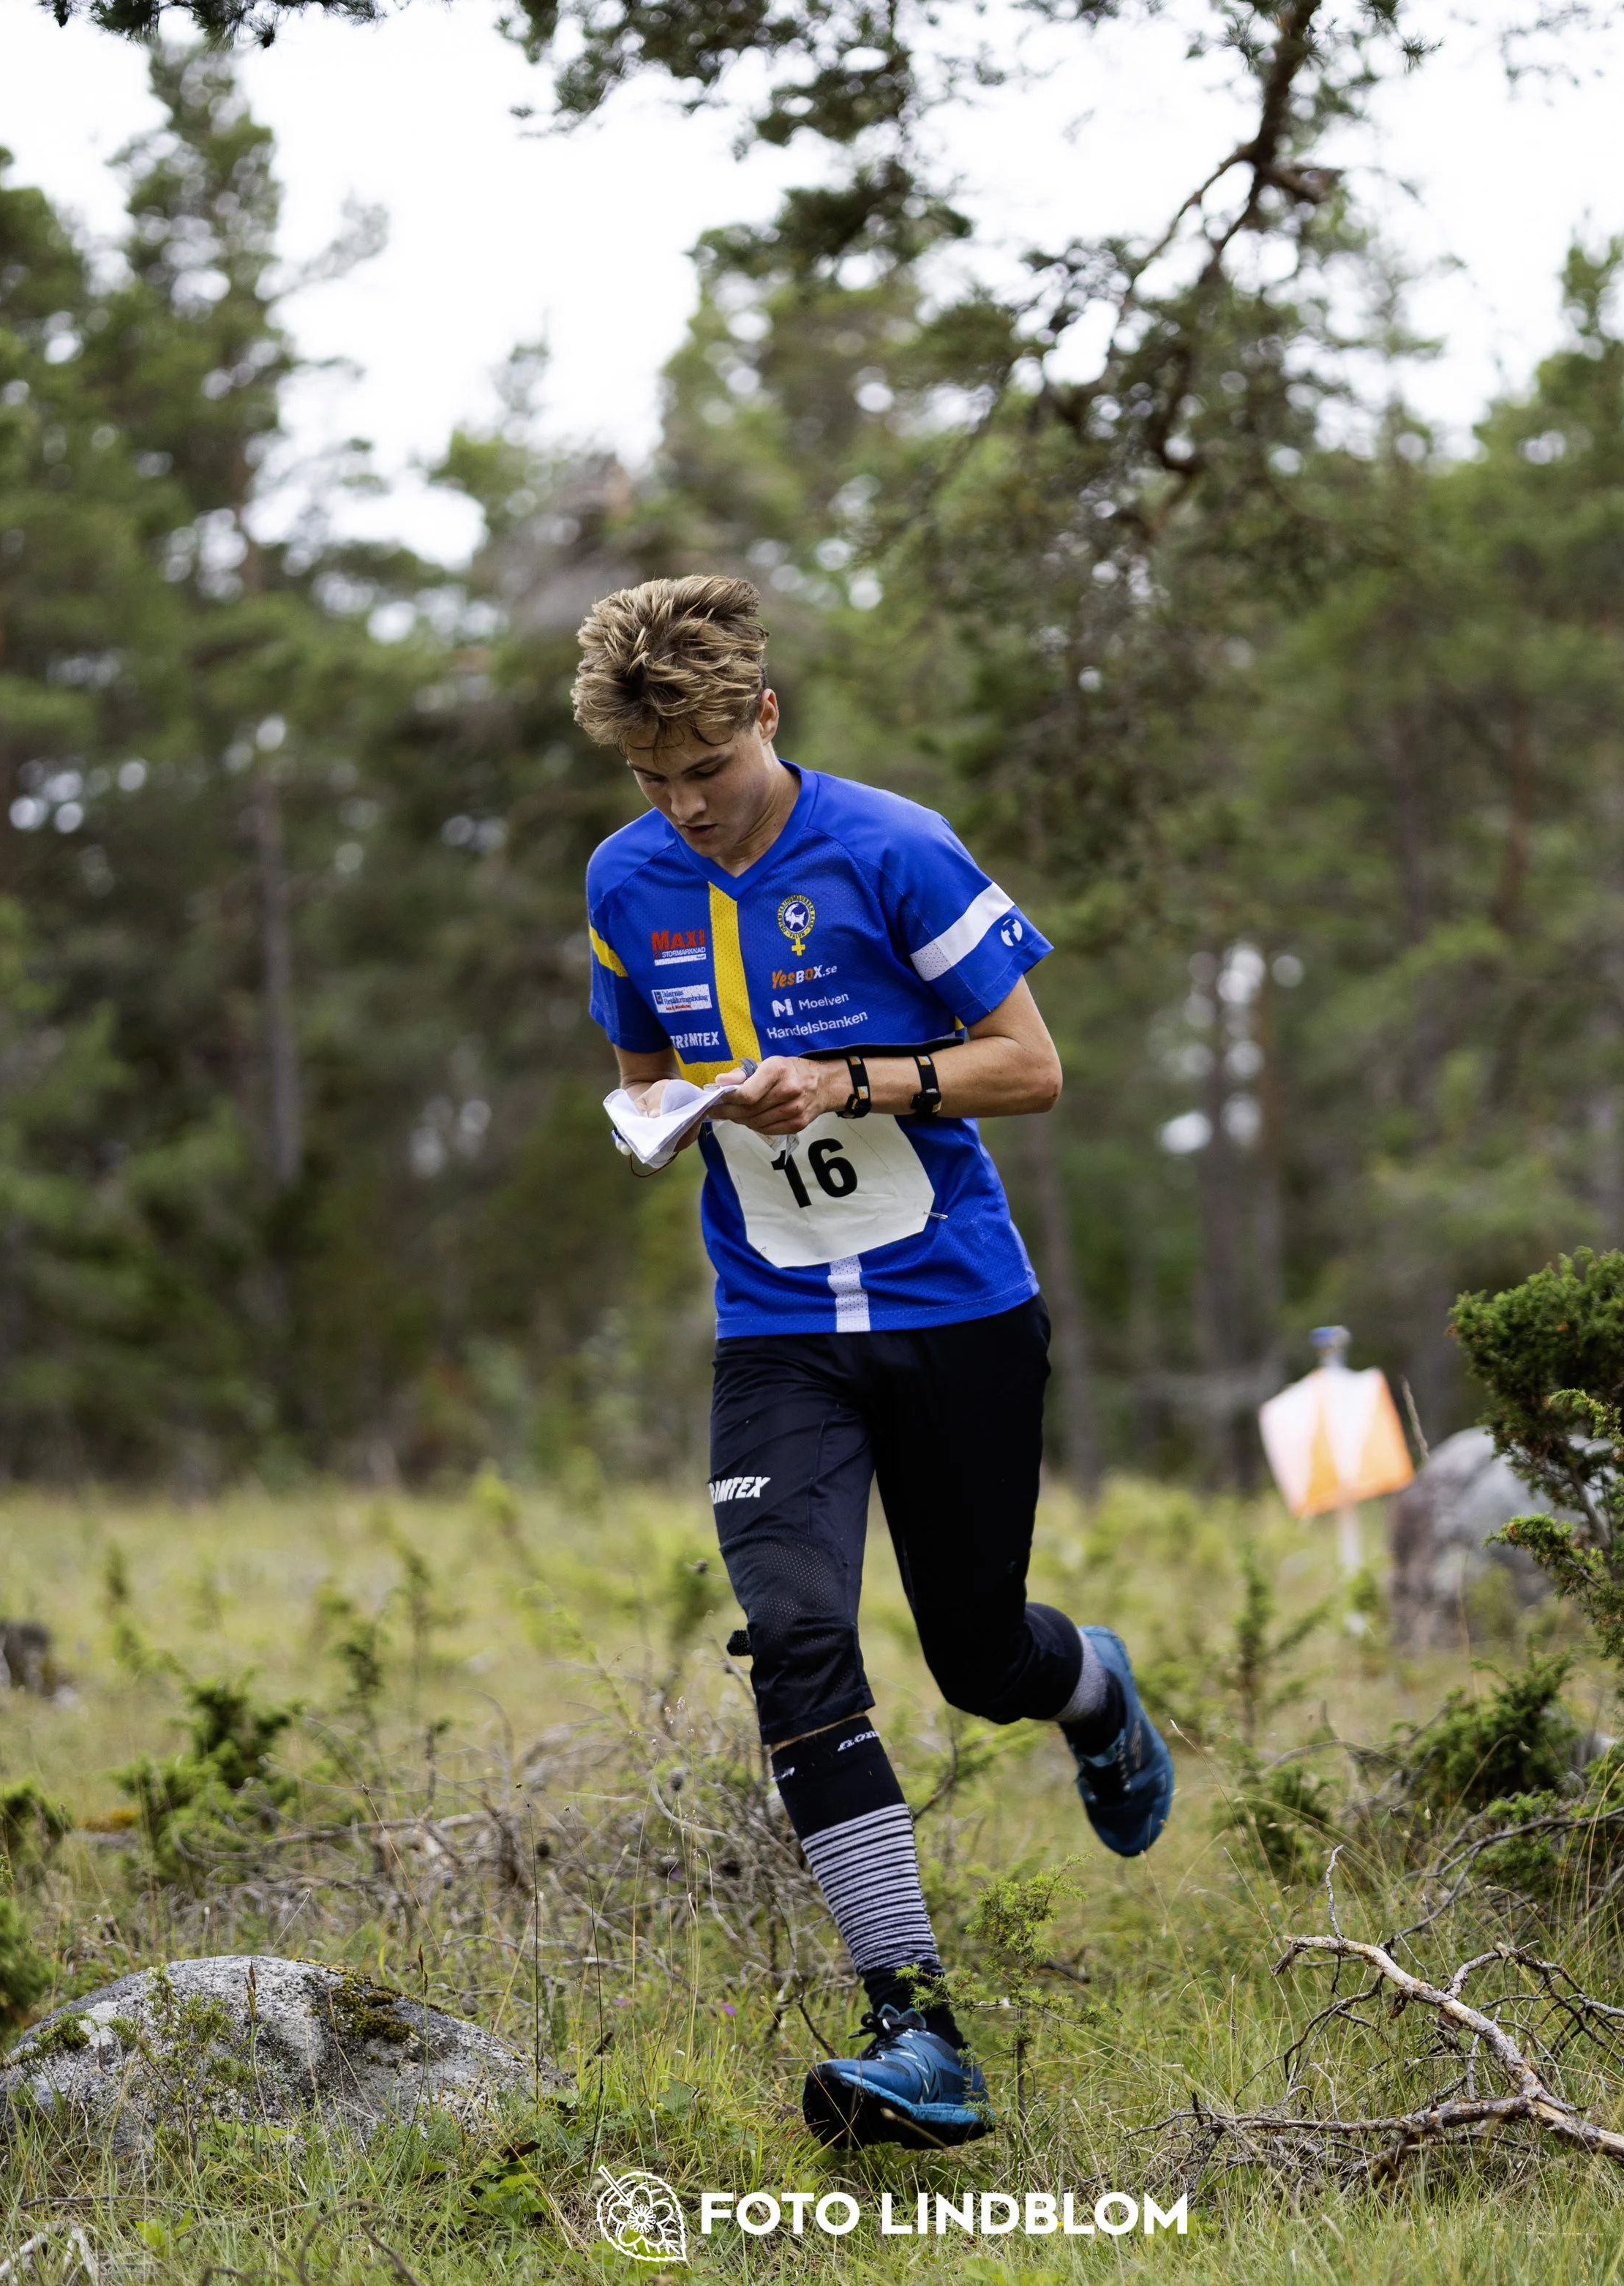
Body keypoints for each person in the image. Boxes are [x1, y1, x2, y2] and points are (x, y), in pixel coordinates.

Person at [575, 574, 1173, 2151]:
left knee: (979, 1659)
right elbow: (640, 1077)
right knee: (792, 1636)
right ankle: (915, 2022)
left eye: (706, 767)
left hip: (952, 1308)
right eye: (655, 780)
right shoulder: (623, 879)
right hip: (775, 1329)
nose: (686, 807)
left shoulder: (890, 844)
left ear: (762, 715)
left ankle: (1092, 1685)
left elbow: (1031, 1066)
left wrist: (855, 1077)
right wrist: (673, 1113)